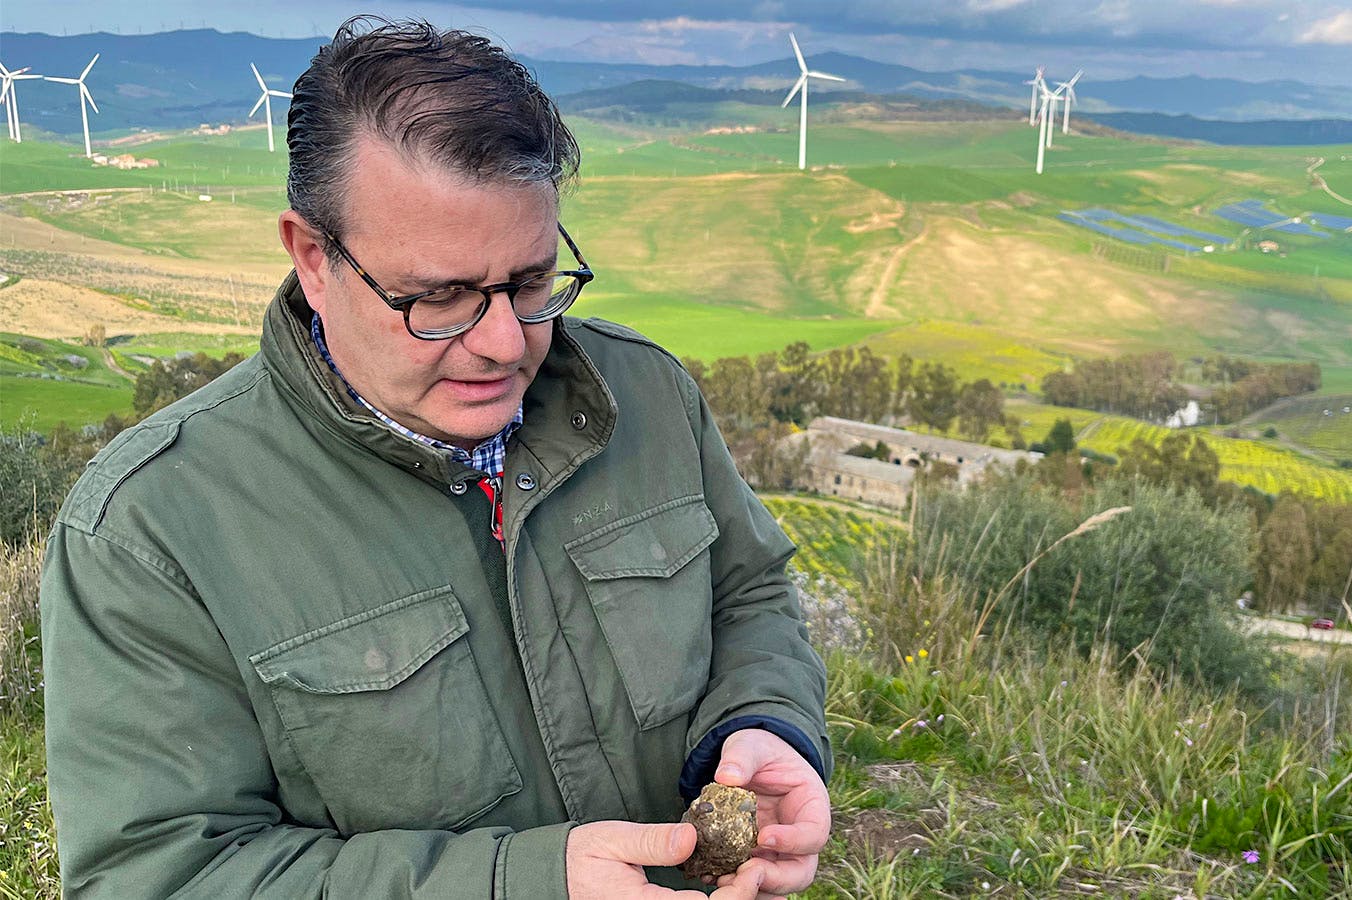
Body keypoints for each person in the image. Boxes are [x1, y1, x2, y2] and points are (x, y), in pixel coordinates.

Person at [41, 17, 830, 899]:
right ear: (312, 257)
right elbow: (157, 877)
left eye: (532, 282)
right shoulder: (152, 532)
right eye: (440, 296)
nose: (502, 342)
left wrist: (768, 722)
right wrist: (524, 884)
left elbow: (749, 590)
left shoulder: (644, 393)